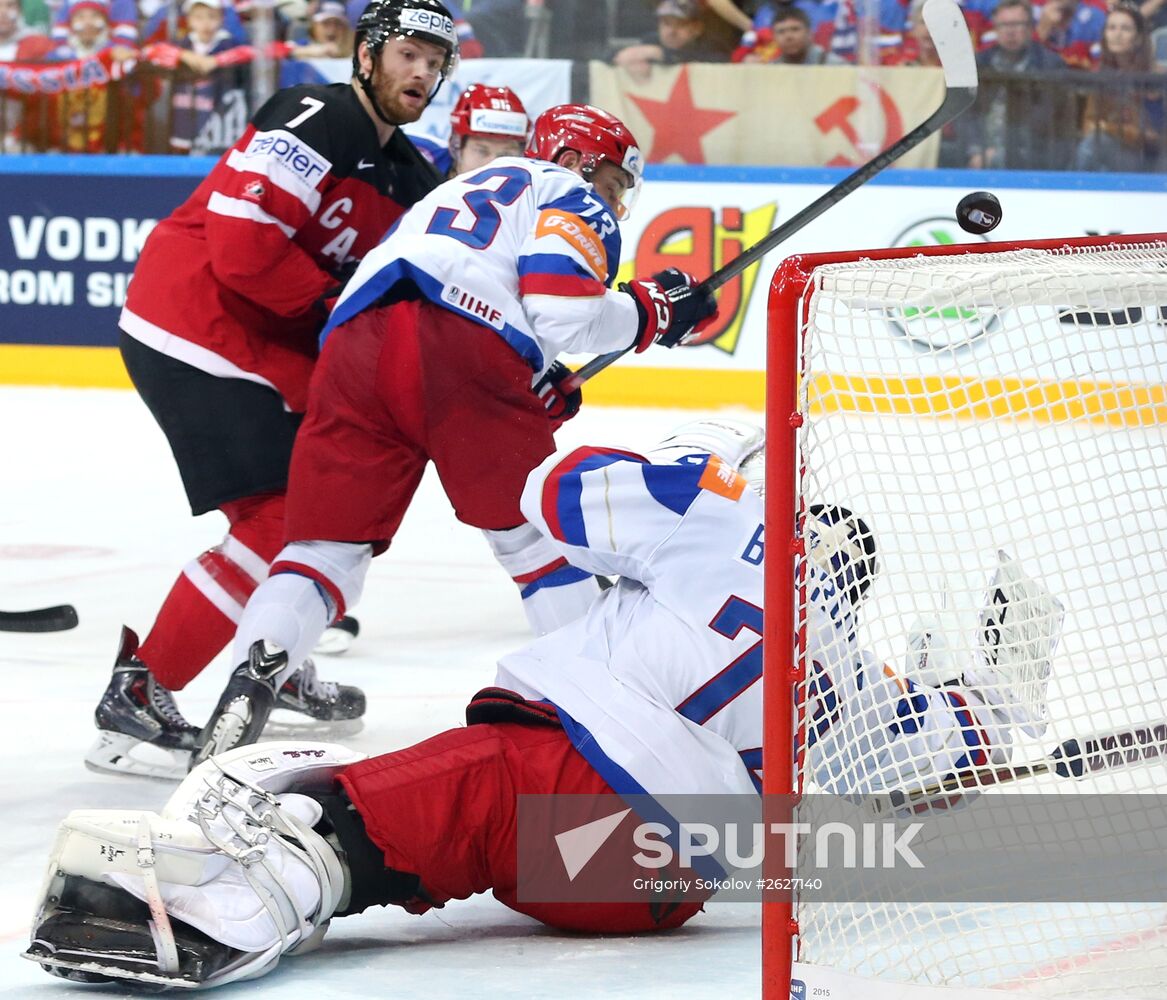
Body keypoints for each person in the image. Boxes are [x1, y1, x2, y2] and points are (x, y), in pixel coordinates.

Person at [23, 418, 1062, 990]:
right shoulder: (856, 674)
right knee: (441, 840)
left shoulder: (726, 521)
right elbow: (955, 754)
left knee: (332, 813)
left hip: (571, 784)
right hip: (654, 888)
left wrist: (702, 458)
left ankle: (212, 911)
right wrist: (982, 689)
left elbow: (552, 495)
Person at [188, 102, 720, 766]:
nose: (612, 201)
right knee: (538, 537)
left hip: (354, 349)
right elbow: (560, 307)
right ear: (574, 159)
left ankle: (255, 674)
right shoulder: (565, 188)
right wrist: (651, 311)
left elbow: (485, 296)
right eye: (612, 182)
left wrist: (534, 372)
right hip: (459, 345)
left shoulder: (452, 191)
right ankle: (601, 711)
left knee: (324, 549)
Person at [86, 0, 458, 783]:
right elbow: (243, 249)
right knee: (280, 517)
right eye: (406, 55)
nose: (420, 72)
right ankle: (140, 695)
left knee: (322, 511)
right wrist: (340, 313)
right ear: (366, 56)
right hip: (194, 324)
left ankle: (274, 660)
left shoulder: (412, 176)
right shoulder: (314, 116)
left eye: (433, 62)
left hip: (259, 344)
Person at [961, 0, 1072, 170]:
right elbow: (967, 114)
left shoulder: (1050, 65)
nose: (1010, 31)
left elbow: (1047, 119)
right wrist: (976, 151)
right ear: (995, 28)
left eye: (1017, 24)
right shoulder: (980, 64)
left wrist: (1004, 152)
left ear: (1030, 28)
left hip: (1033, 154)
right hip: (981, 154)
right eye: (1004, 25)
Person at [1075, 1, 1164, 171]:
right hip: (1120, 154)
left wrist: (1109, 128)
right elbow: (1089, 125)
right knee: (1092, 145)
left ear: (1138, 37)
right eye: (1112, 28)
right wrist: (1117, 131)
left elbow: (1155, 136)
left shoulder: (1156, 77)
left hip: (1154, 159)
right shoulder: (1101, 77)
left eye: (1125, 29)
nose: (1117, 34)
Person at [411, 81, 530, 177]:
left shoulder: (532, 185)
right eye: (482, 151)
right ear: (455, 146)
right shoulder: (418, 157)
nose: (492, 166)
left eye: (505, 155)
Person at [612, 0, 729, 81]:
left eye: (680, 24)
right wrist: (623, 59)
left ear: (697, 29)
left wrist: (661, 54)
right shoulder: (651, 41)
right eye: (666, 23)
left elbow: (720, 64)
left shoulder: (712, 46)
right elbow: (607, 56)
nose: (671, 32)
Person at [732, 4, 844, 63]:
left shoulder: (834, 65)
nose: (788, 36)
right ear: (774, 37)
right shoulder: (771, 70)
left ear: (810, 34)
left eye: (795, 29)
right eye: (781, 32)